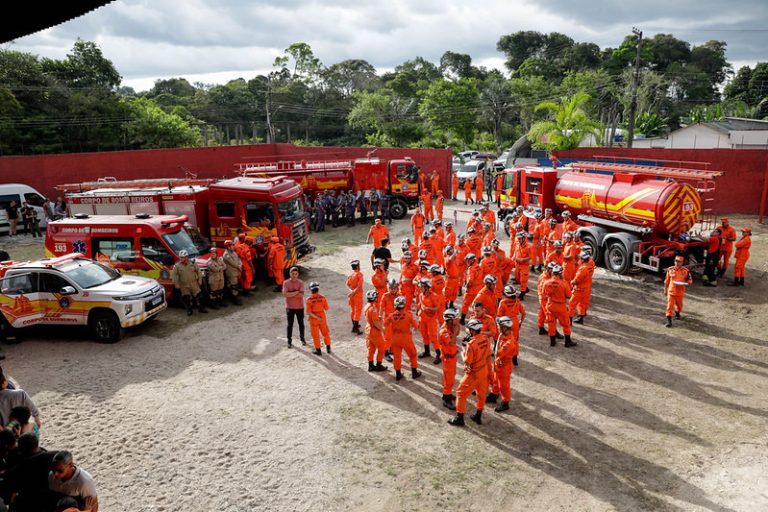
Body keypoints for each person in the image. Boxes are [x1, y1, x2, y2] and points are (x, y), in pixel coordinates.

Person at [448, 319, 491, 426]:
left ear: (472, 330)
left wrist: (463, 348)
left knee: (460, 393)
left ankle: (460, 418)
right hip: (483, 370)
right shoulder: (486, 339)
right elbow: (487, 355)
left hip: (474, 373)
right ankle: (478, 415)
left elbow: (467, 362)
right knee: (481, 394)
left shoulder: (471, 345)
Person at [384, 296, 422, 381]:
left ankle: (398, 374)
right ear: (404, 305)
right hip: (406, 338)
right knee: (412, 354)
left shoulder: (391, 316)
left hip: (395, 338)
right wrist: (413, 329)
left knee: (397, 357)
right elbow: (416, 326)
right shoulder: (408, 315)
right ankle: (414, 372)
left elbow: (385, 324)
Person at [488, 316, 517, 412]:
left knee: (503, 386)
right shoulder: (505, 337)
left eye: (500, 326)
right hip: (499, 364)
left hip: (504, 367)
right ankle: (494, 394)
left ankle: (505, 402)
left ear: (505, 328)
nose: (498, 328)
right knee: (496, 380)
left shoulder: (508, 343)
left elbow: (496, 353)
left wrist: (499, 339)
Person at [543, 265, 575, 347]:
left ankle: (552, 341)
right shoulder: (564, 284)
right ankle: (567, 342)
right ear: (560, 273)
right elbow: (569, 296)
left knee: (551, 324)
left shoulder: (546, 283)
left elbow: (544, 294)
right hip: (560, 307)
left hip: (550, 306)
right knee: (566, 324)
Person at [171, 250, 207, 316]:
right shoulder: (177, 266)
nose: (181, 259)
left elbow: (199, 271)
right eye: (180, 257)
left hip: (194, 283)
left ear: (187, 257)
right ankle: (189, 309)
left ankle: (201, 308)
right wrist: (176, 283)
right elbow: (174, 275)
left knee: (200, 296)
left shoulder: (193, 263)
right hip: (184, 285)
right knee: (186, 299)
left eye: (182, 257)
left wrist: (200, 280)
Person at [439, 308, 460, 410]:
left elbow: (458, 333)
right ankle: (445, 398)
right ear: (450, 320)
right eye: (455, 318)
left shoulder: (451, 326)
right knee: (448, 379)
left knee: (451, 377)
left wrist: (457, 326)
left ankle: (448, 394)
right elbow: (451, 342)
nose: (457, 320)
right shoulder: (444, 331)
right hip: (448, 359)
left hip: (452, 357)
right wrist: (455, 330)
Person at [664, 255, 692, 327]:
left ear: (682, 263)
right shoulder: (670, 270)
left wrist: (688, 282)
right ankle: (669, 321)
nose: (677, 263)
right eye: (676, 261)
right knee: (669, 306)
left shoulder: (686, 271)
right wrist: (665, 290)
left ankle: (677, 312)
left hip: (680, 292)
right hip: (671, 291)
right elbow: (666, 281)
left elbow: (690, 280)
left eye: (679, 262)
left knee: (679, 306)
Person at [363, 290, 388, 372]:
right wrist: (383, 329)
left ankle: (370, 365)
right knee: (382, 347)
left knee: (371, 348)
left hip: (368, 329)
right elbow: (375, 322)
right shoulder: (373, 309)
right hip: (374, 331)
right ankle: (378, 365)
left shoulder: (366, 306)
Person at [306, 281, 331, 355]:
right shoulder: (323, 297)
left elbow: (308, 312)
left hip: (314, 319)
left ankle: (318, 350)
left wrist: (316, 317)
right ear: (318, 289)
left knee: (315, 335)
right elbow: (326, 308)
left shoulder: (309, 300)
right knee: (325, 333)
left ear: (310, 290)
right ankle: (328, 348)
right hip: (322, 317)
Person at [283, 267, 306, 347]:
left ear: (298, 274)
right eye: (293, 274)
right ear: (290, 274)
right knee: (290, 325)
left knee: (301, 324)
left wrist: (290, 294)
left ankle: (302, 339)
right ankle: (289, 341)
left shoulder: (301, 282)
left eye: (296, 274)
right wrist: (296, 292)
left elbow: (301, 295)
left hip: (300, 307)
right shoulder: (285, 283)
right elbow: (285, 294)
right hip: (290, 307)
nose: (294, 275)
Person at [569, 251, 594, 324]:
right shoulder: (591, 265)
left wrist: (571, 282)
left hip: (579, 289)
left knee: (572, 304)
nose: (579, 259)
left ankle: (569, 319)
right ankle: (581, 318)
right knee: (582, 303)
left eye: (580, 258)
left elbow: (576, 281)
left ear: (583, 260)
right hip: (586, 288)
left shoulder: (582, 269)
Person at [346, 260, 364, 334]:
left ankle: (354, 324)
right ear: (357, 266)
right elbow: (359, 286)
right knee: (357, 311)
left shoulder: (351, 275)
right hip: (357, 295)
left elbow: (347, 284)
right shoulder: (359, 274)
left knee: (353, 310)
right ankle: (355, 328)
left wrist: (351, 291)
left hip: (351, 296)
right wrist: (353, 292)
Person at [222, 241, 243, 305]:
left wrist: (240, 264)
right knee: (233, 286)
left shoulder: (233, 252)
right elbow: (233, 264)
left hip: (236, 271)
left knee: (236, 285)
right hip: (231, 273)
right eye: (231, 245)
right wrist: (239, 266)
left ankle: (236, 296)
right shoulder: (226, 255)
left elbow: (239, 259)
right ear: (228, 247)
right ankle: (235, 299)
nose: (233, 246)